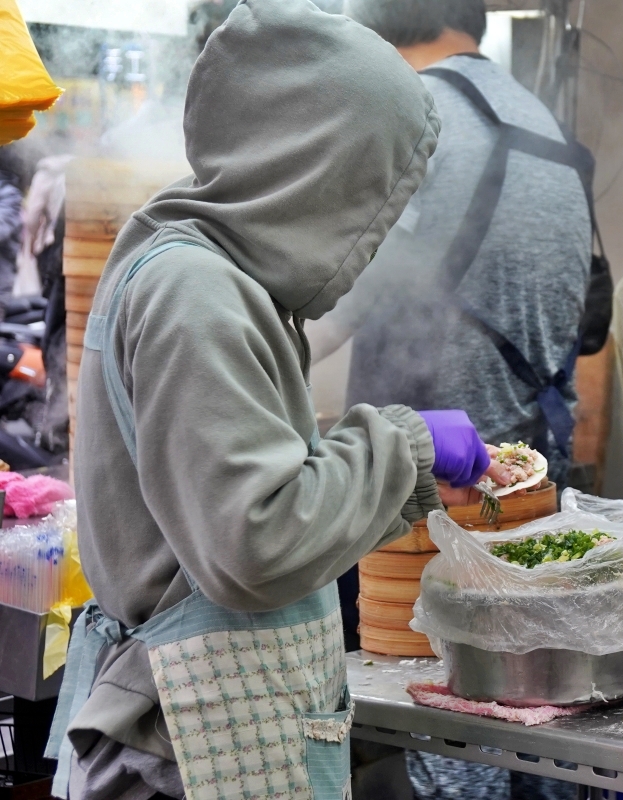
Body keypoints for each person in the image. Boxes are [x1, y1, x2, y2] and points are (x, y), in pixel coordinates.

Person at [43, 2, 505, 799]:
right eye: (372, 186)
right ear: (314, 166)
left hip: (212, 730)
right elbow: (252, 542)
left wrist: (386, 467)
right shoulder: (198, 292)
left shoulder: (199, 263)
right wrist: (406, 447)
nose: (378, 222)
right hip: (182, 754)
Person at [312, 0, 593, 496]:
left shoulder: (412, 113)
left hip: (443, 474)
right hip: (534, 459)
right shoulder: (538, 115)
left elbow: (331, 310)